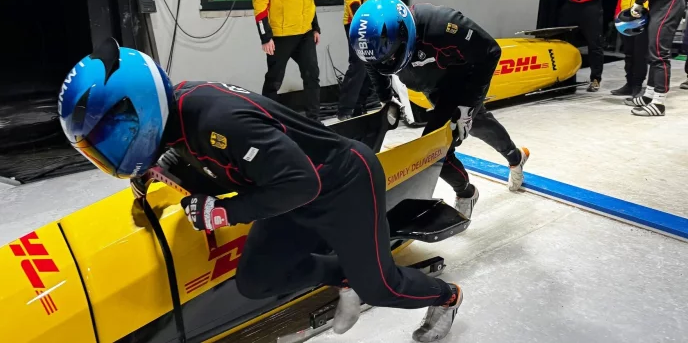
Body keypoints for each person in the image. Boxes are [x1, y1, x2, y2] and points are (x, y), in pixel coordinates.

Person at [57, 39, 465, 342]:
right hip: (282, 189)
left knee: (382, 285)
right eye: (100, 145)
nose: (112, 148)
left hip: (342, 183)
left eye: (115, 133)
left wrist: (223, 213)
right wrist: (157, 171)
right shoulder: (171, 122)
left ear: (142, 106)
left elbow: (304, 182)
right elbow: (218, 168)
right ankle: (346, 279)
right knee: (256, 279)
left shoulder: (220, 120)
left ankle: (446, 297)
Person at [351, 0, 531, 219]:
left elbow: (490, 51)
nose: (386, 63)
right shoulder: (371, 45)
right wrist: (386, 97)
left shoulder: (441, 25)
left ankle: (468, 191)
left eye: (390, 56)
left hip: (460, 82)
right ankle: (514, 158)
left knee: (434, 150)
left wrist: (468, 104)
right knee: (478, 124)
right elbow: (374, 66)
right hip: (431, 85)